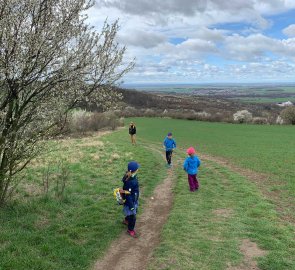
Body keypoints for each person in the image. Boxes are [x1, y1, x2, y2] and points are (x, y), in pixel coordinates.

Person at [121, 161, 140, 237]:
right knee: (133, 217)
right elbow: (128, 195)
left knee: (131, 213)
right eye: (137, 168)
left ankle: (126, 220)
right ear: (134, 171)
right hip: (131, 201)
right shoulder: (130, 181)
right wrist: (132, 206)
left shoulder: (130, 176)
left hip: (133, 199)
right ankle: (130, 230)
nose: (138, 169)